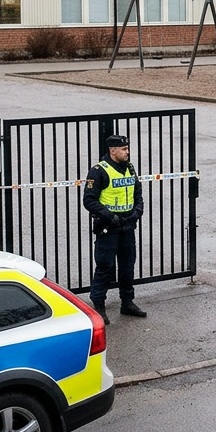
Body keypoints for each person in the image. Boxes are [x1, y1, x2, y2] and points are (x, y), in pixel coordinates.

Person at [83, 133, 146, 319]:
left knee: (127, 266)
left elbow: (138, 193)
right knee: (105, 266)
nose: (127, 152)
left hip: (127, 225)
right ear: (113, 150)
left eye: (127, 148)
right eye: (124, 149)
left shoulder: (130, 168)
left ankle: (127, 302)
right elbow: (89, 200)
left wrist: (137, 212)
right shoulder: (98, 171)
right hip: (108, 227)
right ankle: (99, 306)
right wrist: (110, 217)